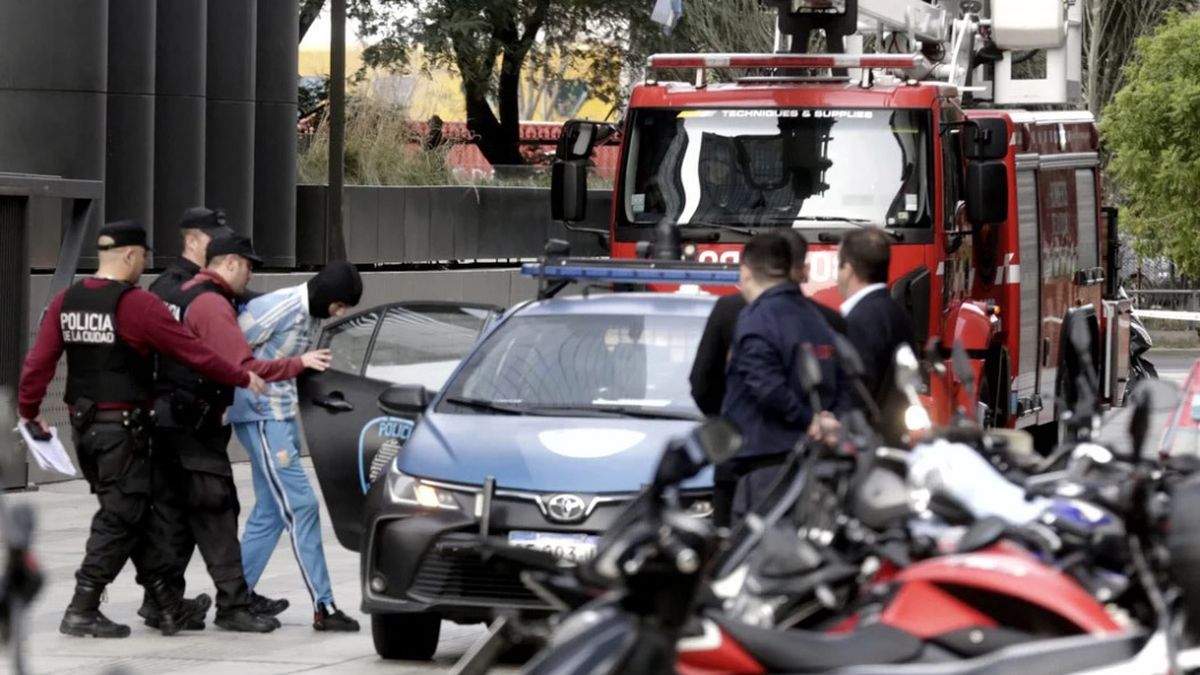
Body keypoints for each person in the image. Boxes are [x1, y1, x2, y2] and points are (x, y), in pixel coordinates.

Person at [16, 220, 267, 639]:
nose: (145, 265)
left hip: (85, 431)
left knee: (137, 517)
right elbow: (193, 353)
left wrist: (29, 411)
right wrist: (242, 376)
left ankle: (167, 605)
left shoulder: (67, 300)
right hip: (124, 432)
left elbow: (38, 362)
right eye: (144, 257)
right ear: (132, 255)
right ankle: (82, 606)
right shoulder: (136, 305)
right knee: (120, 517)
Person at [149, 234, 335, 633]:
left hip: (171, 417)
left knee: (178, 517)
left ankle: (164, 602)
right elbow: (241, 364)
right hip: (194, 421)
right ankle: (233, 605)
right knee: (217, 511)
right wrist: (295, 364)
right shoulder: (212, 304)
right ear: (230, 262)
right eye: (249, 266)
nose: (250, 275)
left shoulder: (184, 294)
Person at [227, 261, 365, 632]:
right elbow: (230, 353)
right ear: (327, 295)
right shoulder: (278, 307)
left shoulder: (313, 316)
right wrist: (297, 363)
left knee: (271, 511)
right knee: (302, 505)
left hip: (281, 418)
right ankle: (324, 605)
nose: (340, 313)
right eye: (340, 305)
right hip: (261, 416)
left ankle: (235, 596)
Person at [720, 234, 849, 519]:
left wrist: (808, 420)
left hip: (766, 468)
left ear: (746, 272)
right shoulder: (817, 318)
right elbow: (844, 379)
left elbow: (766, 386)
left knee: (760, 544)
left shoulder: (756, 318)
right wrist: (828, 421)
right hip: (815, 464)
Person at [837, 228, 917, 446]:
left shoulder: (861, 319)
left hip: (867, 445)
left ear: (848, 270)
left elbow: (859, 388)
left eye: (839, 266)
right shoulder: (895, 312)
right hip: (893, 437)